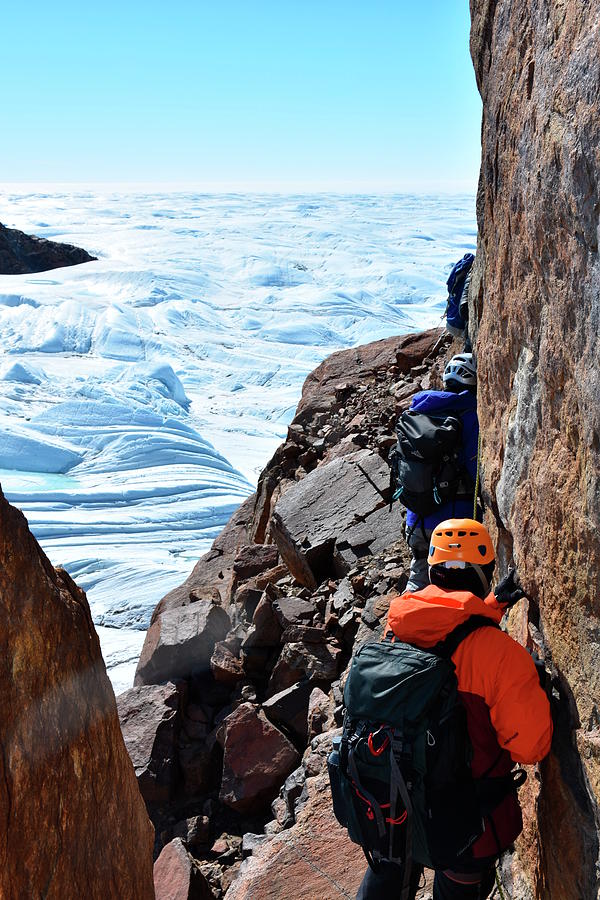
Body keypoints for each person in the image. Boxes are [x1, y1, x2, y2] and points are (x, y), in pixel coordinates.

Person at [356, 519, 553, 900]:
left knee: (389, 872)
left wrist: (490, 607)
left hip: (394, 805)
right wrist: (532, 684)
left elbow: (445, 633)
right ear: (484, 574)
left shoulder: (396, 628)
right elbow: (530, 749)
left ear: (432, 572)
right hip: (465, 827)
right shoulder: (502, 657)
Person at [404, 352, 479, 593]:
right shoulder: (468, 414)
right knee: (455, 593)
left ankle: (397, 629)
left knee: (417, 581)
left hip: (417, 521)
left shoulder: (418, 412)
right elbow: (475, 468)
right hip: (453, 526)